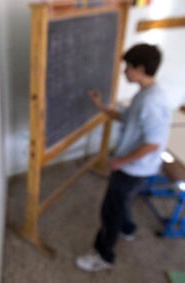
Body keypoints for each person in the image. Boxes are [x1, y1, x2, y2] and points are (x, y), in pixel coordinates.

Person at [76, 43, 172, 272]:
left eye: (127, 67)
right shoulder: (145, 93)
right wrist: (101, 106)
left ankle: (103, 255)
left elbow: (153, 143)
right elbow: (127, 118)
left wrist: (121, 161)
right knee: (122, 203)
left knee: (110, 212)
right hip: (135, 166)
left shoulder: (151, 101)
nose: (124, 71)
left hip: (134, 168)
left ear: (140, 68)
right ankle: (127, 229)